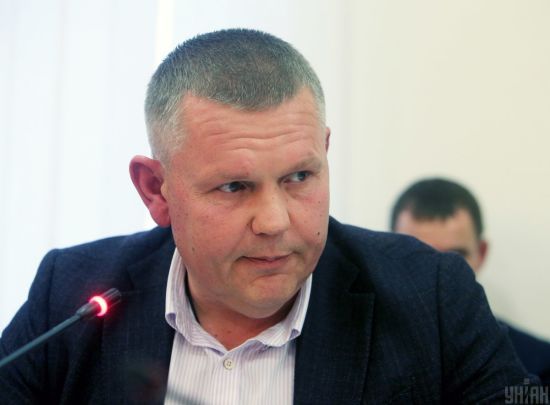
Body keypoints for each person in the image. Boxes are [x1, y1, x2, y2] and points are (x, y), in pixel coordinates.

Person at [0, 29, 534, 404]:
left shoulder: (430, 296)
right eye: (234, 186)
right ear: (156, 189)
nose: (274, 222)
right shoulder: (69, 297)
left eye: (300, 177)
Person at [391, 177, 550, 386]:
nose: (437, 275)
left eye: (454, 259)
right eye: (418, 256)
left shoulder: (539, 366)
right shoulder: (355, 355)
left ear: (481, 253)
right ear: (388, 255)